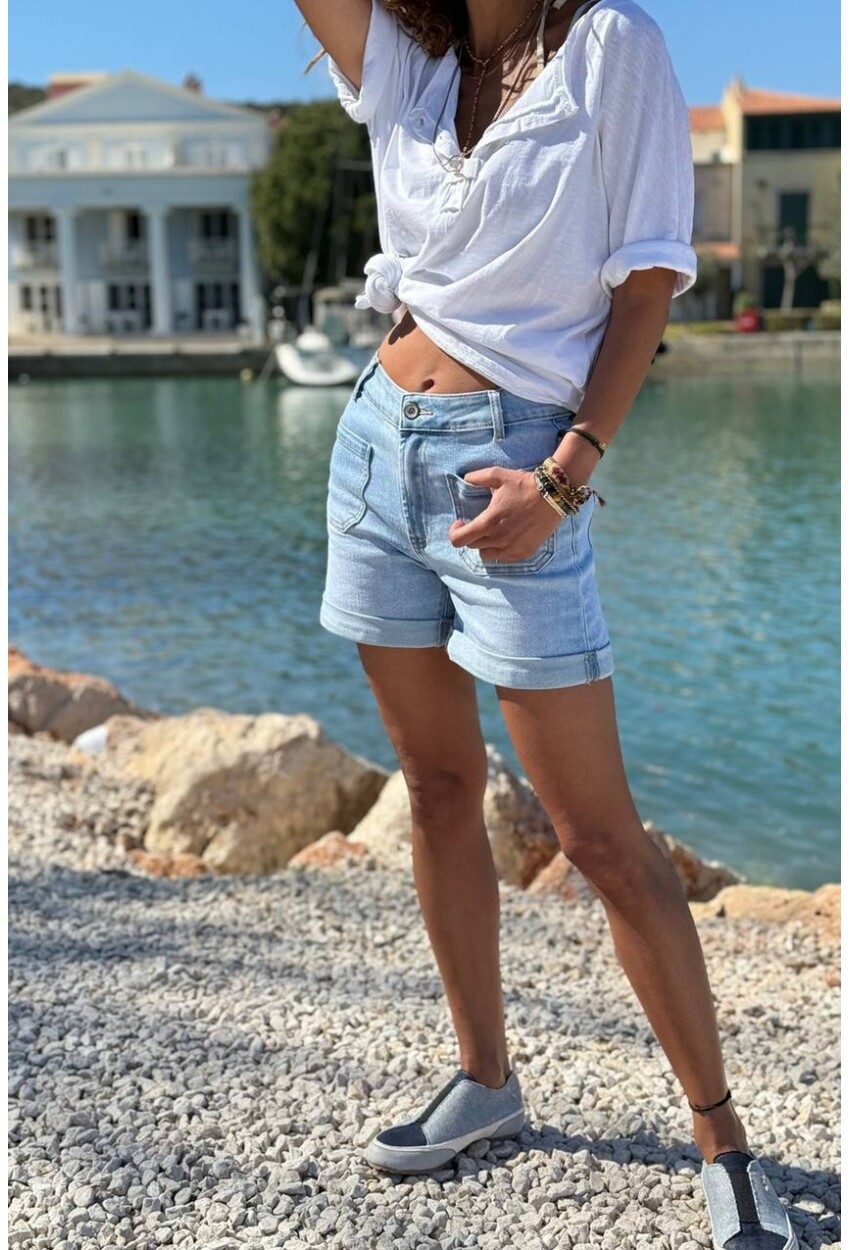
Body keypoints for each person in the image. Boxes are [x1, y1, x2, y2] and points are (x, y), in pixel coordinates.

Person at [294, 0, 799, 1246]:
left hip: (516, 464)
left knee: (598, 834)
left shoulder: (608, 46)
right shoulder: (417, 66)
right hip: (375, 452)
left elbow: (645, 287)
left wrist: (565, 478)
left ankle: (726, 1146)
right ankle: (485, 1079)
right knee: (435, 783)